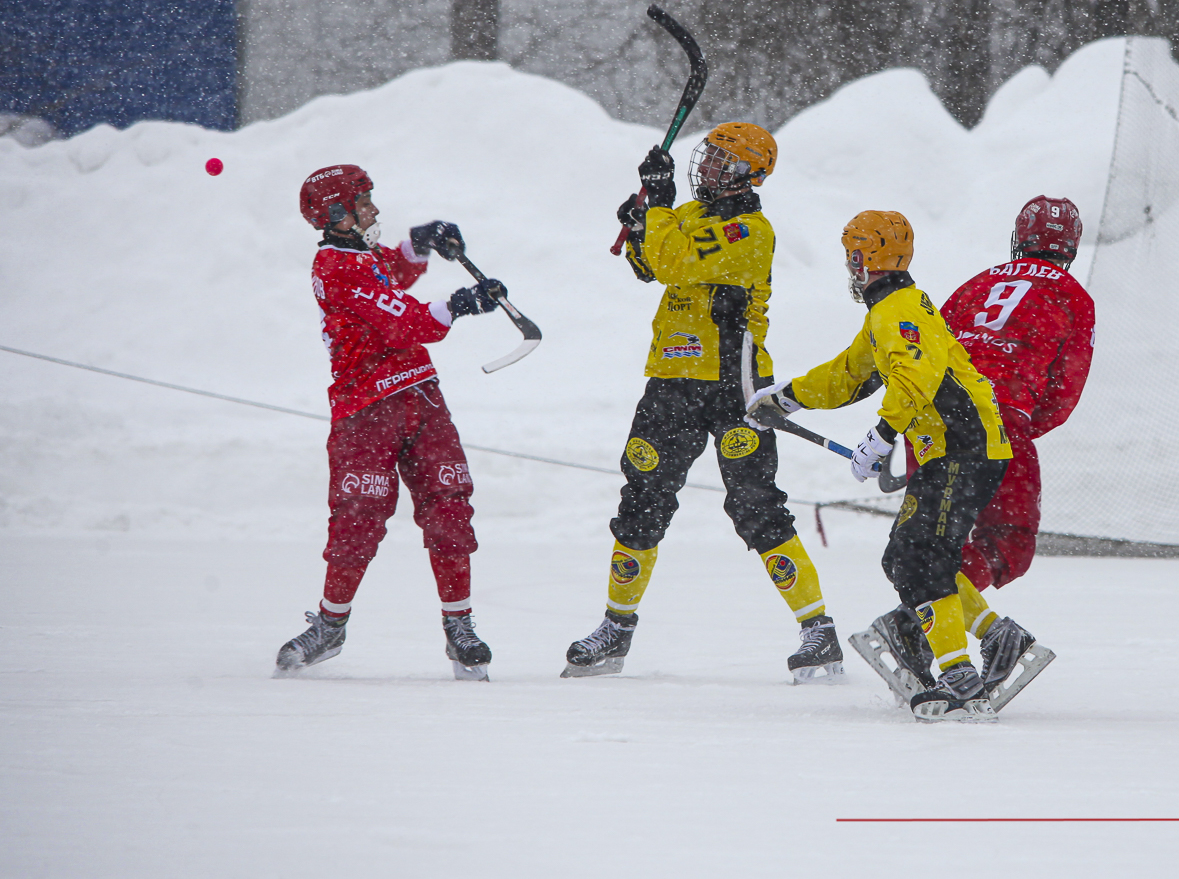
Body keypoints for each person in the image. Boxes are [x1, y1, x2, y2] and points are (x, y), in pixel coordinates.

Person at [562, 124, 844, 683]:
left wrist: (660, 212)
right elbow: (649, 264)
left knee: (756, 506)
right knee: (642, 498)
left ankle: (819, 630)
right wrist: (639, 221)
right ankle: (616, 627)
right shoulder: (691, 215)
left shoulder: (751, 230)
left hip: (731, 383)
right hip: (671, 377)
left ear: (749, 175)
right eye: (708, 157)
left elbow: (674, 262)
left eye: (722, 162)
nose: (707, 168)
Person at [748, 211, 1013, 722]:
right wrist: (787, 398)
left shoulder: (898, 311)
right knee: (905, 558)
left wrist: (883, 434)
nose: (849, 266)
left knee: (919, 557)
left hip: (964, 447)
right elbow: (852, 373)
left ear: (869, 257)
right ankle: (996, 639)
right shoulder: (887, 311)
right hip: (955, 449)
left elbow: (914, 374)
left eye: (854, 255)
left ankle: (960, 678)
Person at [276, 164, 507, 680]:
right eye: (364, 204)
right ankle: (331, 624)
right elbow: (405, 320)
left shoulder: (360, 256)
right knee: (358, 518)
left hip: (420, 395)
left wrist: (419, 246)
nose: (374, 211)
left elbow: (390, 275)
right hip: (365, 411)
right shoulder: (336, 266)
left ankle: (459, 626)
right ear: (337, 216)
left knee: (449, 506)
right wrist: (462, 304)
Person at [869, 196, 1094, 702]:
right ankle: (926, 623)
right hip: (1000, 422)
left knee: (927, 543)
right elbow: (1065, 389)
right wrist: (1013, 430)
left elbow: (926, 349)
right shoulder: (1074, 297)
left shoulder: (977, 282)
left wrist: (912, 426)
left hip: (935, 419)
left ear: (1019, 238)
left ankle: (926, 618)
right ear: (1072, 247)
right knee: (1007, 541)